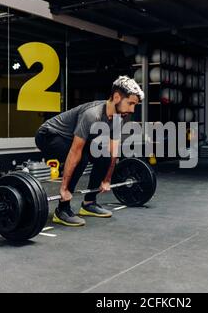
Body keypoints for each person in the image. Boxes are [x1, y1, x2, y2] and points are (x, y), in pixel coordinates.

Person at [35, 76, 144, 227]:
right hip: (49, 135)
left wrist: (107, 179)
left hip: (71, 138)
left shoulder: (119, 118)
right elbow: (75, 152)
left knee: (103, 156)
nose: (132, 109)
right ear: (117, 97)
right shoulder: (92, 115)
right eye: (130, 103)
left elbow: (113, 152)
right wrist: (64, 188)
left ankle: (89, 203)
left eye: (134, 105)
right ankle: (63, 210)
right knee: (82, 159)